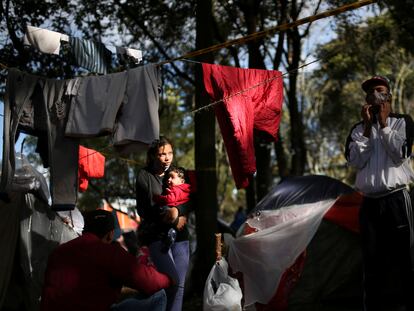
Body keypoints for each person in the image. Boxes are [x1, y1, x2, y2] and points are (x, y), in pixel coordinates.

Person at [345, 75, 414, 311]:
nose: (376, 95)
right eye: (372, 92)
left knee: (405, 258)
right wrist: (367, 128)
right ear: (366, 99)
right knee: (372, 261)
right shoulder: (357, 129)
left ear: (389, 97)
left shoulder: (402, 122)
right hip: (369, 203)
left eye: (381, 91)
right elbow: (355, 160)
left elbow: (400, 154)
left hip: (396, 199)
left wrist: (384, 124)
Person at [40, 209, 172, 311]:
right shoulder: (108, 252)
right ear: (110, 234)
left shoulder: (59, 251)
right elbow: (147, 280)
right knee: (159, 295)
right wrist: (169, 279)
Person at [136, 137, 191, 311]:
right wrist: (172, 216)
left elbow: (191, 198)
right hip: (157, 237)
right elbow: (143, 209)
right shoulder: (144, 176)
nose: (167, 158)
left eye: (169, 153)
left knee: (179, 287)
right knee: (171, 281)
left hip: (180, 236)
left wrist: (179, 212)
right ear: (153, 156)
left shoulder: (177, 172)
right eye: (162, 154)